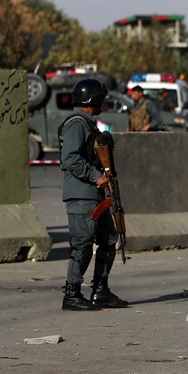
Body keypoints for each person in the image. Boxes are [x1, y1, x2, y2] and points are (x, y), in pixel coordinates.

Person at [59, 78, 128, 311]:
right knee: (82, 245)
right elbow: (70, 159)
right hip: (81, 196)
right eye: (101, 100)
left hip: (94, 195)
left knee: (109, 239)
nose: (103, 104)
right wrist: (94, 175)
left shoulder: (89, 124)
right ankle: (72, 293)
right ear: (93, 100)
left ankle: (101, 290)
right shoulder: (77, 123)